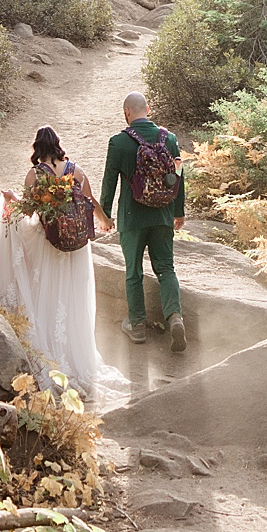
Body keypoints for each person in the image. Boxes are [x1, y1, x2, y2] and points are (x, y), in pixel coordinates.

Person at [0, 125, 111, 395]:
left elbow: (27, 215)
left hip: (51, 244)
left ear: (37, 147)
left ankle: (51, 352)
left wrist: (9, 199)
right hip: (77, 248)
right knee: (71, 299)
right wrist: (104, 221)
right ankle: (74, 354)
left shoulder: (35, 175)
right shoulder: (76, 171)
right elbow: (90, 200)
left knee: (48, 296)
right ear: (58, 145)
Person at [102, 90, 188, 350]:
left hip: (132, 218)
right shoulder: (169, 139)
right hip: (162, 215)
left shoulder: (119, 142)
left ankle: (137, 325)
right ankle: (174, 317)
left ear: (127, 112)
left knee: (134, 271)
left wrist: (105, 215)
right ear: (147, 109)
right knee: (166, 268)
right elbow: (179, 175)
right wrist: (178, 211)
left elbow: (109, 182)